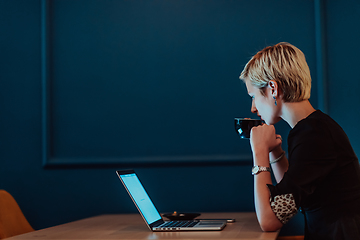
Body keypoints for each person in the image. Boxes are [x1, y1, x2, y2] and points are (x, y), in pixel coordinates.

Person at [239, 42, 360, 240]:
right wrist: (275, 153)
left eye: (253, 96)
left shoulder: (314, 135)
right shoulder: (312, 128)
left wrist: (259, 154)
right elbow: (289, 199)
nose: (253, 108)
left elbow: (270, 220)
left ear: (272, 88)